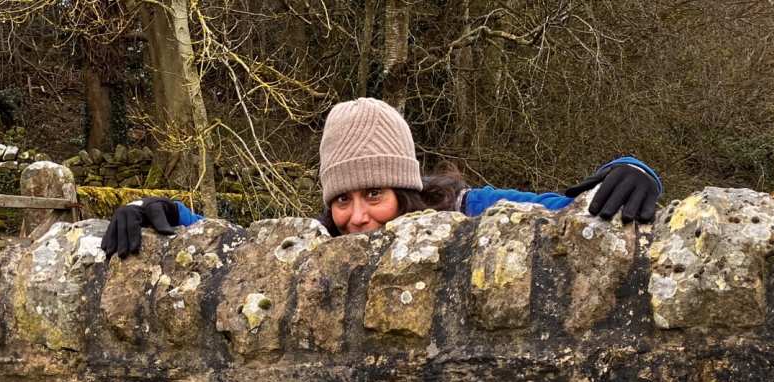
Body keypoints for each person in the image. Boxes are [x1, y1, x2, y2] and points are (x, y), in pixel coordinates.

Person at [102, 97, 661, 258]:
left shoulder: (467, 208)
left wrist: (633, 171)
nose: (358, 217)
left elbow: (561, 208)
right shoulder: (323, 241)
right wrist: (172, 216)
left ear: (407, 190)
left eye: (375, 194)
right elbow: (247, 249)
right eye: (342, 199)